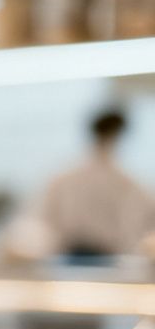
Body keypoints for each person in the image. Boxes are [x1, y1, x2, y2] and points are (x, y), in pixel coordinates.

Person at [16, 109, 155, 260]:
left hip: (86, 258)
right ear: (119, 135)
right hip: (82, 257)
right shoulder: (129, 183)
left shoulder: (63, 176)